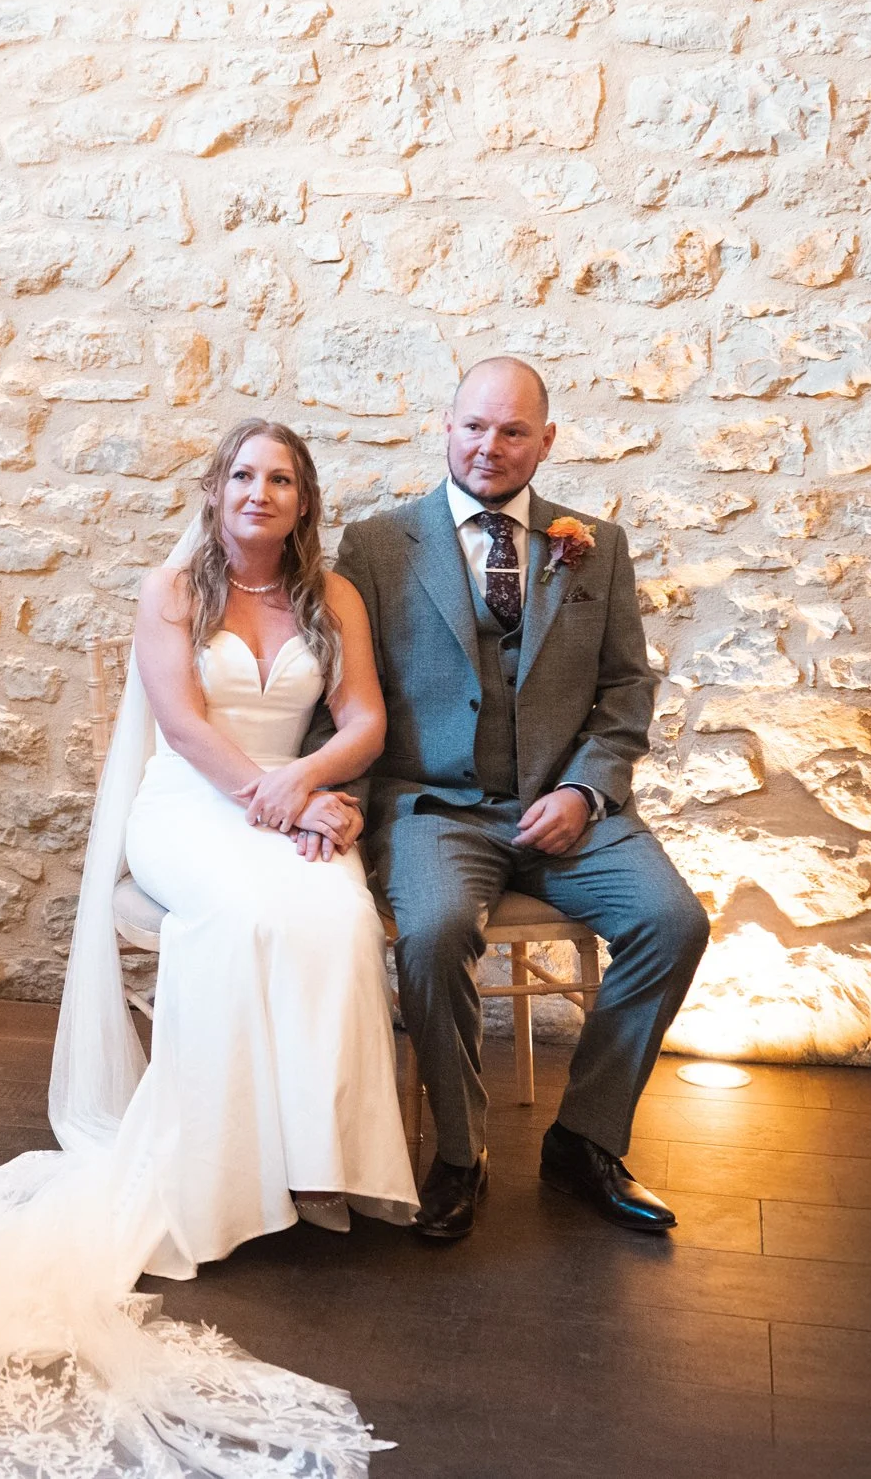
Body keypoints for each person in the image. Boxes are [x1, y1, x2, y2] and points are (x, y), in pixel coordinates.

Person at [0, 420, 416, 1475]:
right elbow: (185, 727)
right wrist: (271, 796)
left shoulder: (333, 597)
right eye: (243, 473)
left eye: (280, 477)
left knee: (336, 917)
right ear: (214, 487)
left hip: (284, 797)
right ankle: (224, 1178)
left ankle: (319, 1164)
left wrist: (317, 786)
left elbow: (364, 717)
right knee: (239, 918)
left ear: (303, 498)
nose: (259, 491)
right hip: (193, 806)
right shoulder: (171, 590)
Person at [330, 356, 711, 1242]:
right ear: (446, 426)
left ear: (546, 439)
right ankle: (461, 1152)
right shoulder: (377, 546)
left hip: (565, 810)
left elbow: (625, 694)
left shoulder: (596, 545)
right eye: (474, 426)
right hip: (435, 808)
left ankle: (583, 1140)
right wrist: (339, 800)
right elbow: (347, 694)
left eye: (512, 431)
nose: (490, 447)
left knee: (673, 921)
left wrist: (585, 788)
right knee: (430, 933)